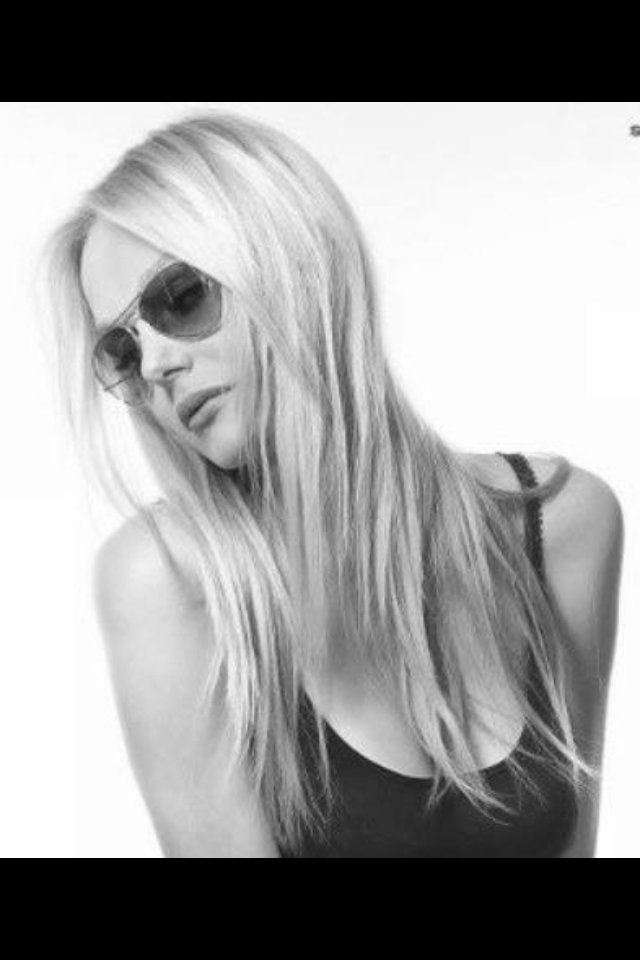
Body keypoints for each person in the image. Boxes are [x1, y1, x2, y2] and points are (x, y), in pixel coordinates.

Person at [41, 108, 624, 857]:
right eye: (122, 350)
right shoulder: (172, 583)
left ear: (290, 261)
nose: (155, 365)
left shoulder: (561, 525)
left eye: (180, 298)